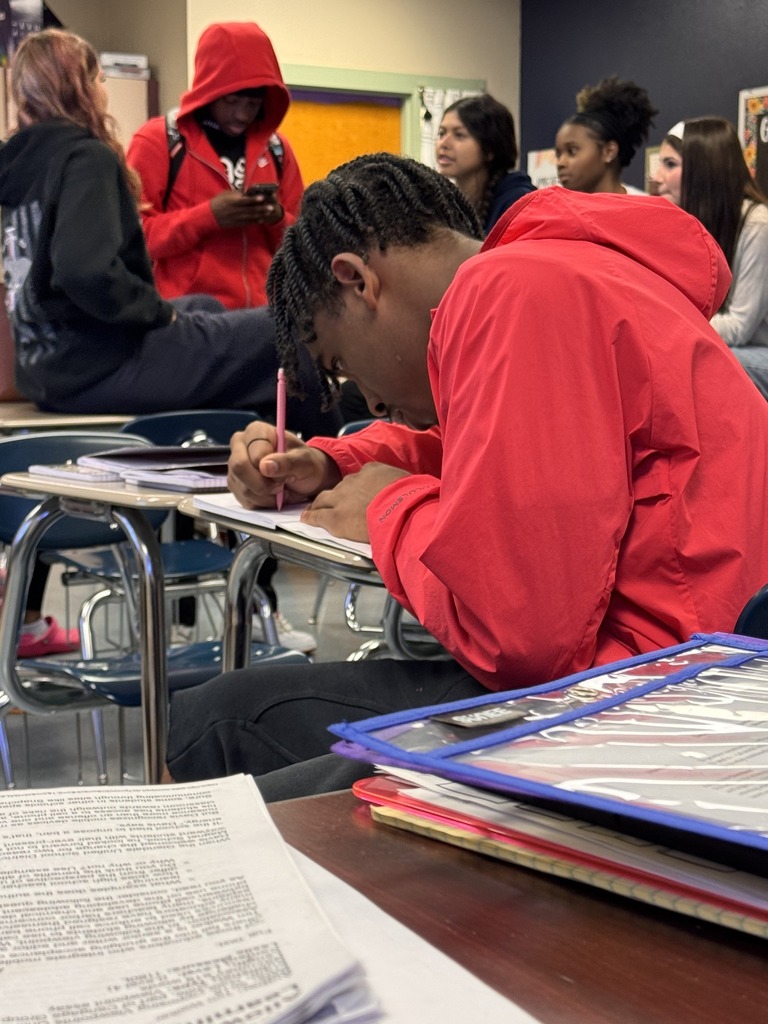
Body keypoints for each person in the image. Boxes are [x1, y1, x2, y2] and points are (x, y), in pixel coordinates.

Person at [164, 152, 768, 799]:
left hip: (649, 711)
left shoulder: (505, 289)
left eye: (341, 362)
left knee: (214, 723)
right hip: (702, 681)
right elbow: (485, 445)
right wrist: (335, 460)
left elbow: (521, 638)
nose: (366, 400)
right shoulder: (565, 269)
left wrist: (389, 507)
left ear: (356, 281)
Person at [0, 27, 340, 438]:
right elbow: (83, 271)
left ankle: (233, 448)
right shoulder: (87, 157)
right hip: (98, 366)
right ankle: (332, 469)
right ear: (81, 88)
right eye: (100, 80)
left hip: (46, 369)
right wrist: (158, 312)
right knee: (283, 335)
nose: (103, 89)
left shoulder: (18, 165)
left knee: (207, 306)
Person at [127, 22, 302, 310]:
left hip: (262, 320)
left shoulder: (277, 150)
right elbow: (133, 238)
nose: (242, 114)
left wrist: (276, 218)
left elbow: (301, 244)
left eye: (253, 104)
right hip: (187, 323)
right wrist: (209, 217)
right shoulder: (157, 141)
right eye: (232, 101)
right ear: (209, 91)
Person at [652, 116, 768, 397]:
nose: (656, 177)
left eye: (670, 165)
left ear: (703, 170)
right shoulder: (687, 223)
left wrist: (664, 325)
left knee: (693, 363)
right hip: (721, 345)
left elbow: (740, 327)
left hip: (755, 353)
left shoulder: (757, 224)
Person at [435, 93, 535, 235]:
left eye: (459, 135)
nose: (443, 144)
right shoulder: (445, 202)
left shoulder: (518, 203)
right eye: (441, 133)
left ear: (489, 149)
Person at [555, 75, 657, 194]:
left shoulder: (644, 208)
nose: (560, 163)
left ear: (609, 151)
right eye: (558, 154)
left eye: (572, 151)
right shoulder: (550, 208)